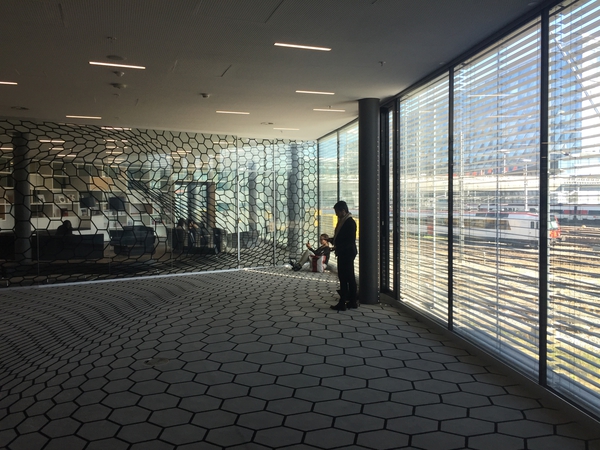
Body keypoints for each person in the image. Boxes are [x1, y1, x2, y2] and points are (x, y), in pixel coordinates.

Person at [329, 201, 358, 311]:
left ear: (343, 210)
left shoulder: (349, 223)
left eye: (337, 212)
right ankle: (352, 302)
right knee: (349, 277)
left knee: (345, 277)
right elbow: (341, 238)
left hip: (346, 253)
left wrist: (336, 247)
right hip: (346, 252)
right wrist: (331, 240)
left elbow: (349, 241)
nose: (336, 214)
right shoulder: (344, 221)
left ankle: (343, 303)